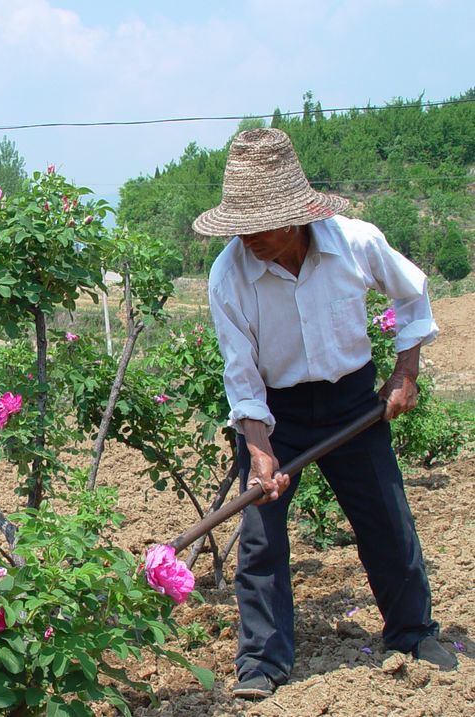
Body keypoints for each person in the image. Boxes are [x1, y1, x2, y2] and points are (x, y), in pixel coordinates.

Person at [193, 128, 457, 699]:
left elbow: (412, 294)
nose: (247, 238)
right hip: (275, 412)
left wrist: (405, 373)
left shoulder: (356, 243)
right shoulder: (229, 275)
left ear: (292, 219)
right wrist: (261, 451)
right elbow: (241, 374)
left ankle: (412, 633)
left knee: (386, 519)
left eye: (257, 225)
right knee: (261, 538)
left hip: (350, 402)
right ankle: (262, 662)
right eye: (239, 226)